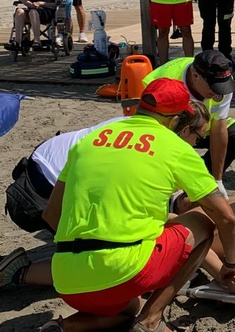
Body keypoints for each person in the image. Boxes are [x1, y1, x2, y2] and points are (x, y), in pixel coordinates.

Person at [38, 79, 235, 332]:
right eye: (197, 138)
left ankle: (64, 327)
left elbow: (51, 214)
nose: (196, 143)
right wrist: (232, 265)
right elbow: (226, 218)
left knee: (129, 308)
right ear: (177, 120)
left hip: (65, 279)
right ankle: (152, 320)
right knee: (202, 220)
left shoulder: (89, 141)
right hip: (123, 272)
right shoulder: (174, 147)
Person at [1, 102, 210, 288]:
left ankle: (70, 255)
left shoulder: (138, 124)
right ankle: (18, 272)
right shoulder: (162, 147)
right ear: (184, 130)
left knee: (99, 249)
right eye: (198, 139)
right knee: (98, 266)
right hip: (43, 187)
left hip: (44, 164)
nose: (195, 146)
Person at [143, 51, 235, 198]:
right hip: (163, 128)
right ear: (195, 76)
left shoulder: (221, 79)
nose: (218, 93)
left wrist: (217, 180)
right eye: (213, 87)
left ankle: (203, 178)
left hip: (197, 125)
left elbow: (219, 127)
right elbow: (153, 133)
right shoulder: (167, 82)